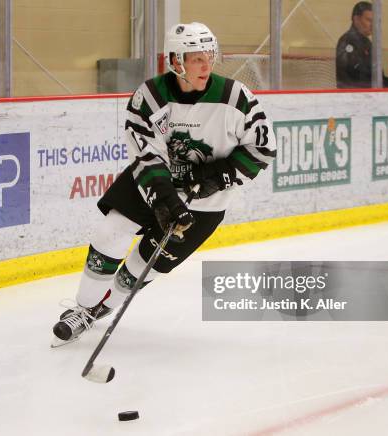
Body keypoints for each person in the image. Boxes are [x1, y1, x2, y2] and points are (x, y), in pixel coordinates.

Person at [51, 22, 276, 346]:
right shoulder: (152, 97)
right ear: (175, 61)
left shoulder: (236, 97)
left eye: (209, 56)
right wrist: (164, 201)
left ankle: (103, 307)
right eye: (196, 58)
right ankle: (83, 309)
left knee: (144, 265)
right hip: (152, 185)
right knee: (110, 231)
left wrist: (219, 177)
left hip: (206, 204)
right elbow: (146, 157)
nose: (206, 65)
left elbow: (263, 148)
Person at [336, 1, 388, 89]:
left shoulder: (366, 42)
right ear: (356, 19)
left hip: (365, 98)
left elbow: (374, 78)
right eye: (369, 20)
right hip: (355, 99)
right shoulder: (348, 41)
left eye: (375, 21)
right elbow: (358, 79)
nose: (373, 25)